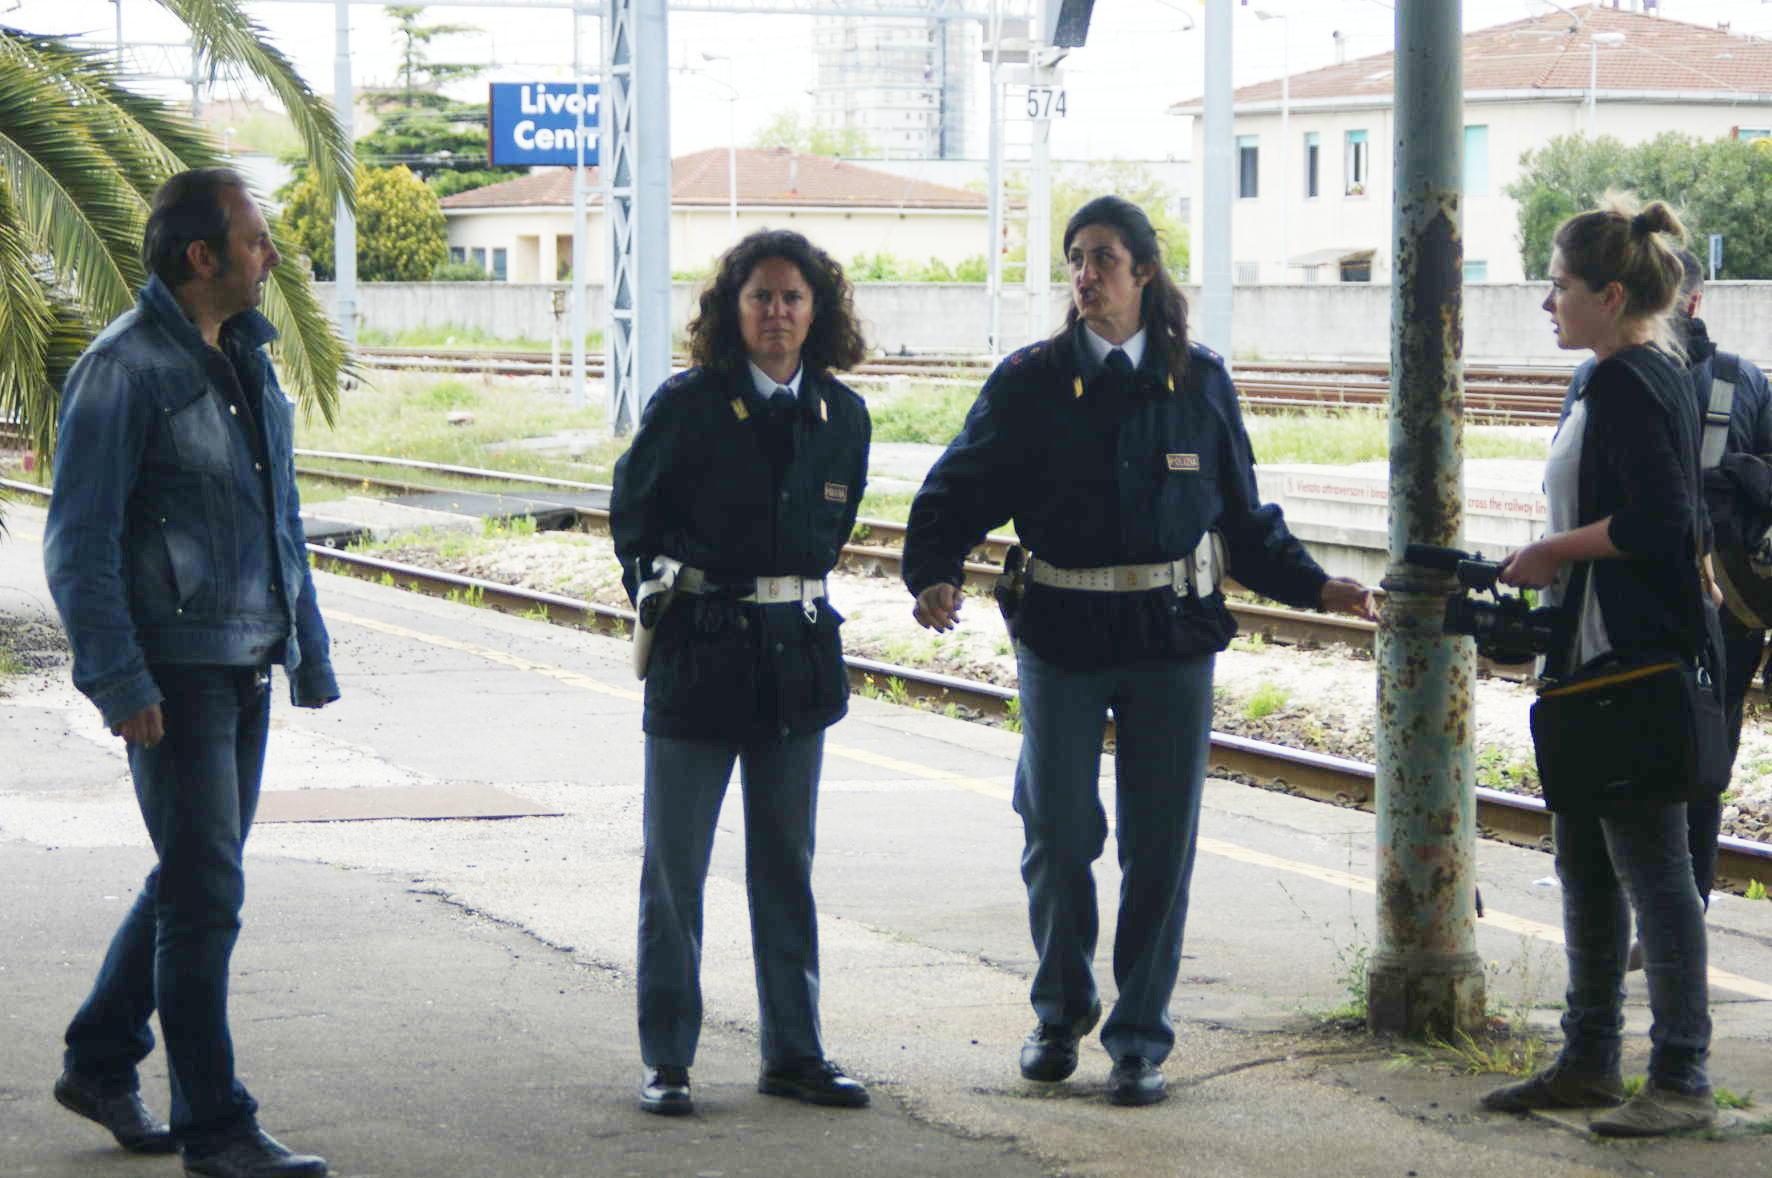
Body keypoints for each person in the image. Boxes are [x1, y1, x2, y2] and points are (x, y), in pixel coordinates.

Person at [901, 195, 1378, 1108]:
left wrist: (1318, 586)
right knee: (1060, 831)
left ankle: (1139, 1041)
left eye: (1105, 258)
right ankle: (1060, 1011)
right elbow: (957, 487)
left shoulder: (1197, 381)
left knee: (1161, 844)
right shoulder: (1028, 380)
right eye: (1075, 258)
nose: (1086, 275)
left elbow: (1242, 518)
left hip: (1171, 640)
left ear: (1145, 272)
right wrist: (933, 570)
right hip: (1061, 636)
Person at [42, 169, 337, 1177]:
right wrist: (121, 682)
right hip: (176, 672)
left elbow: (281, 519)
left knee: (191, 879)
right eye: (254, 240)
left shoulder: (244, 361)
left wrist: (307, 646)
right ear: (202, 255)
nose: (270, 256)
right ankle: (215, 1125)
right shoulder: (123, 371)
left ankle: (98, 1056)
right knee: (206, 891)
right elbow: (76, 544)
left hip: (243, 656)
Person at [610, 229, 872, 1118]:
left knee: (785, 867)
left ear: (817, 311)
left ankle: (794, 1053)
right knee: (675, 870)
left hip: (795, 662)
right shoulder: (687, 405)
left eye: (793, 298)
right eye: (759, 297)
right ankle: (668, 1059)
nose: (776, 313)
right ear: (733, 310)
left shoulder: (845, 417)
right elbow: (632, 522)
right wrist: (663, 602)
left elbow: (826, 541)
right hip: (698, 657)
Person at [1483, 196, 1719, 1136]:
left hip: (1627, 657)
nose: (1548, 301)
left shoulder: (1625, 381)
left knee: (1654, 870)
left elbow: (1666, 524)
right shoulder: (1634, 372)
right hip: (1595, 656)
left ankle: (1682, 1079)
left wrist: (1555, 551)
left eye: (1561, 285)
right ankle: (1588, 1058)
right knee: (1584, 861)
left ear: (1610, 293)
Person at [1557, 249, 1772, 913]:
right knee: (1699, 754)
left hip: (1654, 603)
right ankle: (1683, 900)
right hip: (1721, 606)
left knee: (1632, 758)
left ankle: (1651, 908)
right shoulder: (1741, 381)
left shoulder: (1608, 378)